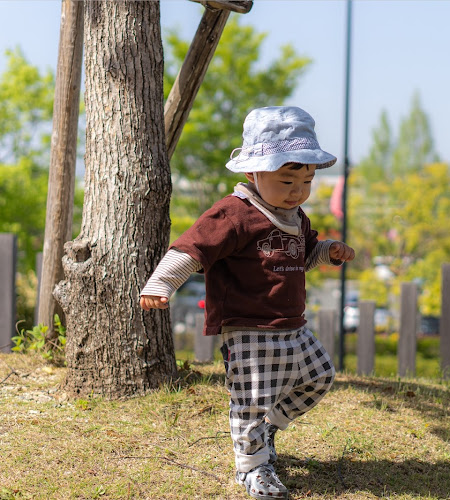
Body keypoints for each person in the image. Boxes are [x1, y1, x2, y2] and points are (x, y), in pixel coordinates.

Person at [140, 106, 355, 499]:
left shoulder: (295, 215)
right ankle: (253, 468)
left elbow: (301, 255)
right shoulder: (234, 213)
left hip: (292, 323)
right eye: (288, 180)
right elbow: (192, 248)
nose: (298, 191)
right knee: (251, 399)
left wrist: (328, 251)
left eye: (306, 181)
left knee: (320, 375)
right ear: (253, 172)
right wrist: (160, 284)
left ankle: (268, 429)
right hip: (247, 325)